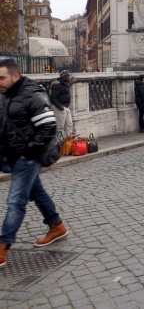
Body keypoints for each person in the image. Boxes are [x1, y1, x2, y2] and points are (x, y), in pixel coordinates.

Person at [0, 58, 68, 267]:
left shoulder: (34, 95)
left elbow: (48, 128)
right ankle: (56, 226)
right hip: (11, 156)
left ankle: (3, 246)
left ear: (15, 76)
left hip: (27, 157)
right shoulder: (5, 95)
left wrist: (28, 153)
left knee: (15, 201)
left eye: (1, 78)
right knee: (36, 192)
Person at [49, 70, 73, 138]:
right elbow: (53, 97)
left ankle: (69, 141)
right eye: (68, 76)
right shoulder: (57, 84)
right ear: (63, 77)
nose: (69, 77)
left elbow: (65, 88)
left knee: (69, 124)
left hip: (66, 106)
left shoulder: (64, 83)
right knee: (60, 126)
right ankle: (61, 142)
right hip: (60, 107)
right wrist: (59, 106)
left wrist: (72, 81)